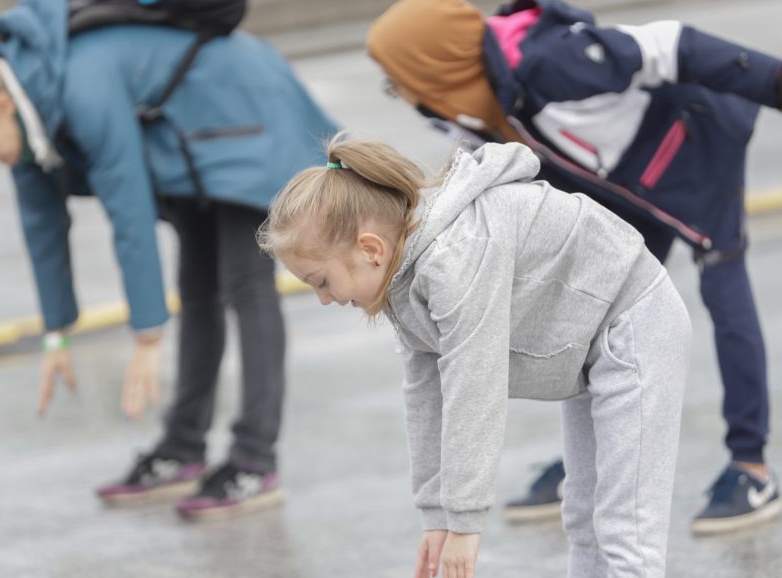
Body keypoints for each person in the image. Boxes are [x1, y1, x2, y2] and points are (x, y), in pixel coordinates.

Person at [365, 0, 782, 534]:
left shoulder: (551, 62)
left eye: (401, 78)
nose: (401, 94)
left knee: (724, 293)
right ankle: (587, 460)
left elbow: (667, 44)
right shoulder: (457, 105)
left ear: (439, 65)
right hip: (624, 189)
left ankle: (751, 466)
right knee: (595, 313)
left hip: (696, 149)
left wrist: (776, 82)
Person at [0, 0, 337, 520]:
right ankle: (184, 447)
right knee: (197, 289)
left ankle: (255, 459)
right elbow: (41, 224)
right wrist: (56, 331)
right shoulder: (26, 111)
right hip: (186, 139)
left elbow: (129, 208)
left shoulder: (79, 87)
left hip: (239, 107)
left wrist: (147, 333)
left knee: (246, 283)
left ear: (1, 105)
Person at [259, 135, 691, 578]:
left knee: (625, 528)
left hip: (633, 323)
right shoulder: (403, 276)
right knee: (584, 515)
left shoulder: (455, 257)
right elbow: (426, 395)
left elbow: (474, 386)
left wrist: (465, 523)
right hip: (591, 341)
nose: (323, 299)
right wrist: (437, 517)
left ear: (371, 250)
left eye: (322, 281)